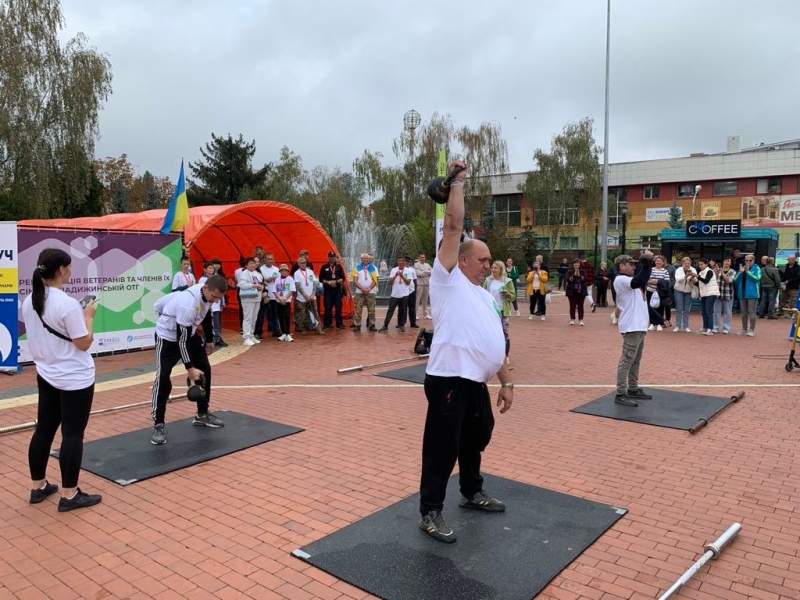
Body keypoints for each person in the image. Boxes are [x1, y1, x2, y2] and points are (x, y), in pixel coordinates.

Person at [418, 160, 513, 544]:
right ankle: (430, 511)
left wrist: (507, 382)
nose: (489, 265)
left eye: (490, 261)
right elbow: (454, 226)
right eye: (484, 260)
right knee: (442, 447)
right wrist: (456, 183)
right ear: (462, 260)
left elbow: (496, 342)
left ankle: (471, 492)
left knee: (478, 435)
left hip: (476, 381)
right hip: (448, 378)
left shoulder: (485, 296)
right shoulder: (447, 280)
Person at [22, 248, 103, 512]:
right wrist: (88, 317)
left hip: (46, 373)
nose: (70, 271)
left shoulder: (29, 301)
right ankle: (69, 494)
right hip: (74, 378)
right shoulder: (66, 303)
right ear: (61, 270)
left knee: (44, 429)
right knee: (72, 434)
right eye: (69, 267)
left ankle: (38, 486)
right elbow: (83, 343)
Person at [150, 275, 229, 445]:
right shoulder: (188, 303)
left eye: (219, 298)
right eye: (214, 297)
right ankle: (159, 424)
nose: (215, 301)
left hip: (188, 334)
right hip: (167, 338)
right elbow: (181, 340)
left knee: (205, 369)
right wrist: (190, 369)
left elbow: (206, 315)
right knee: (163, 377)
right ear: (206, 288)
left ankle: (202, 414)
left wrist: (209, 339)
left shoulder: (207, 295)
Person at [613, 253, 654, 407]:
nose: (634, 266)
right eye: (630, 264)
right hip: (631, 326)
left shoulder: (632, 283)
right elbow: (640, 279)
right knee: (627, 359)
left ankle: (633, 388)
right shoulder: (621, 279)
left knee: (635, 359)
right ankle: (621, 393)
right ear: (621, 266)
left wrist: (659, 319)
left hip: (639, 326)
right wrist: (647, 264)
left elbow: (643, 303)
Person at [378, 256, 411, 332]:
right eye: (398, 260)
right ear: (397, 261)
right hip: (395, 294)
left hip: (404, 294)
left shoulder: (408, 271)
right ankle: (385, 325)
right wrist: (395, 276)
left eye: (401, 260)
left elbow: (408, 282)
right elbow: (389, 282)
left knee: (403, 310)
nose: (400, 262)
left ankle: (401, 324)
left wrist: (402, 276)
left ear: (404, 261)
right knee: (390, 310)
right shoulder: (393, 270)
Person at [237, 257, 265, 346]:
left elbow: (261, 283)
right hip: (247, 298)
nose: (253, 265)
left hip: (257, 298)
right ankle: (246, 337)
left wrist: (260, 287)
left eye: (254, 263)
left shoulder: (257, 274)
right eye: (250, 263)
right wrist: (254, 286)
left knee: (254, 318)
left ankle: (251, 335)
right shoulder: (244, 273)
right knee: (248, 318)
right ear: (246, 265)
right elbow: (241, 284)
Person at [733, 254, 761, 336]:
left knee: (752, 312)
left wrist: (748, 272)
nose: (748, 262)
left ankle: (752, 329)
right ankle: (744, 328)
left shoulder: (757, 268)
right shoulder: (742, 268)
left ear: (753, 260)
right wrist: (741, 273)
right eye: (746, 260)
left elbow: (757, 279)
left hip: (752, 293)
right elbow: (735, 280)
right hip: (742, 293)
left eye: (750, 260)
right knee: (743, 312)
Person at [350, 253, 378, 331]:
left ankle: (372, 324)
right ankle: (357, 325)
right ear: (361, 259)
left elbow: (375, 281)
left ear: (369, 259)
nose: (365, 260)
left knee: (371, 309)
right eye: (364, 258)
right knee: (358, 310)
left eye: (367, 258)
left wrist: (368, 288)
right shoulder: (357, 268)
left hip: (370, 292)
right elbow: (355, 281)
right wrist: (363, 289)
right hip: (359, 292)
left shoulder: (373, 268)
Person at [319, 251, 346, 330]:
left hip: (337, 289)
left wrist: (336, 281)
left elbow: (343, 278)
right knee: (327, 307)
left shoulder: (339, 267)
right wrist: (329, 282)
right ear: (328, 257)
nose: (332, 258)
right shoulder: (324, 267)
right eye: (331, 257)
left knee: (338, 307)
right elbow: (321, 279)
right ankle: (327, 324)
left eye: (333, 257)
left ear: (335, 258)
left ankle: (339, 324)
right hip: (328, 290)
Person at [695, 258, 719, 335]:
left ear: (706, 264)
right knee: (703, 311)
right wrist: (693, 280)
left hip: (711, 293)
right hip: (704, 294)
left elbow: (706, 281)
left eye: (702, 264)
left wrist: (697, 277)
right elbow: (699, 283)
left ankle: (710, 328)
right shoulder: (701, 273)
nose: (700, 266)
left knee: (708, 311)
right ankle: (705, 327)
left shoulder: (709, 271)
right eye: (699, 265)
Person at [274, 264, 295, 341]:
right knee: (280, 316)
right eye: (282, 271)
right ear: (280, 272)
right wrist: (279, 298)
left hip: (287, 301)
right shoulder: (277, 279)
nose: (284, 272)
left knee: (286, 316)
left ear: (288, 271)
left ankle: (288, 333)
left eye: (285, 271)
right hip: (279, 300)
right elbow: (274, 290)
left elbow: (292, 290)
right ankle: (283, 333)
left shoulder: (290, 279)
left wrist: (285, 298)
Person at [565, 258, 588, 326]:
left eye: (577, 263)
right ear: (573, 264)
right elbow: (568, 280)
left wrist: (580, 276)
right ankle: (572, 319)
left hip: (581, 291)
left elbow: (585, 279)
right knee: (572, 305)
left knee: (580, 306)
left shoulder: (583, 271)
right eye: (575, 263)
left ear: (579, 264)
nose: (576, 264)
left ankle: (581, 319)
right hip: (572, 291)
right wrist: (574, 276)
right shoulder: (569, 271)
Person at [415, 253, 433, 319]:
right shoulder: (416, 264)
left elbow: (432, 271)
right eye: (421, 257)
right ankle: (415, 314)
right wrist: (427, 273)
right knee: (417, 299)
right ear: (419, 258)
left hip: (426, 283)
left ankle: (425, 314)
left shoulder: (427, 264)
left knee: (425, 300)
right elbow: (418, 274)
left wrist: (424, 271)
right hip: (419, 284)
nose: (422, 258)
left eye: (423, 257)